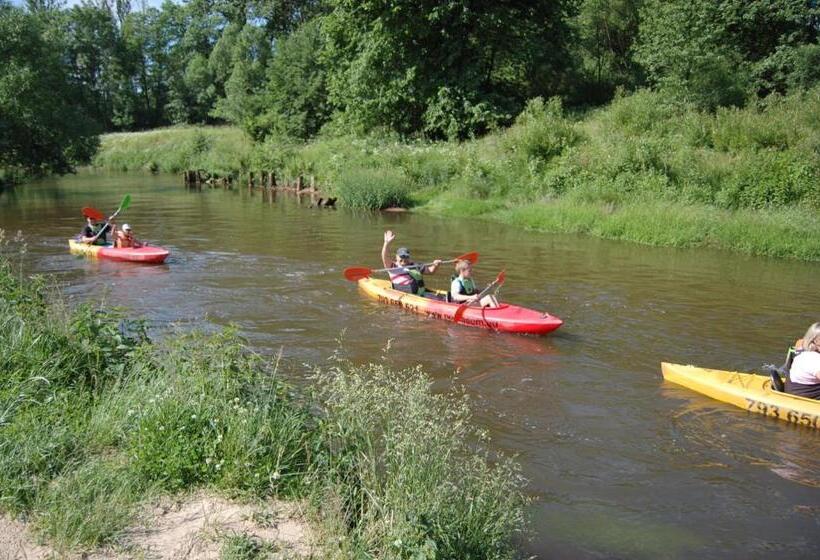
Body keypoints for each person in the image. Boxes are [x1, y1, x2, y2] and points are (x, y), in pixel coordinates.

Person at [381, 230, 441, 297]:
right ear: (396, 257)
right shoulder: (392, 267)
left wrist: (435, 265)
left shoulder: (415, 265)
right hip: (406, 293)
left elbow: (430, 271)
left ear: (409, 257)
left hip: (420, 293)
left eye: (406, 256)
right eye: (402, 256)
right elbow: (385, 257)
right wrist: (386, 243)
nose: (404, 259)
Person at [785, 323, 820, 399]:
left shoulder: (803, 347)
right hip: (804, 395)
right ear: (814, 342)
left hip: (792, 387)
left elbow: (800, 341)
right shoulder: (815, 360)